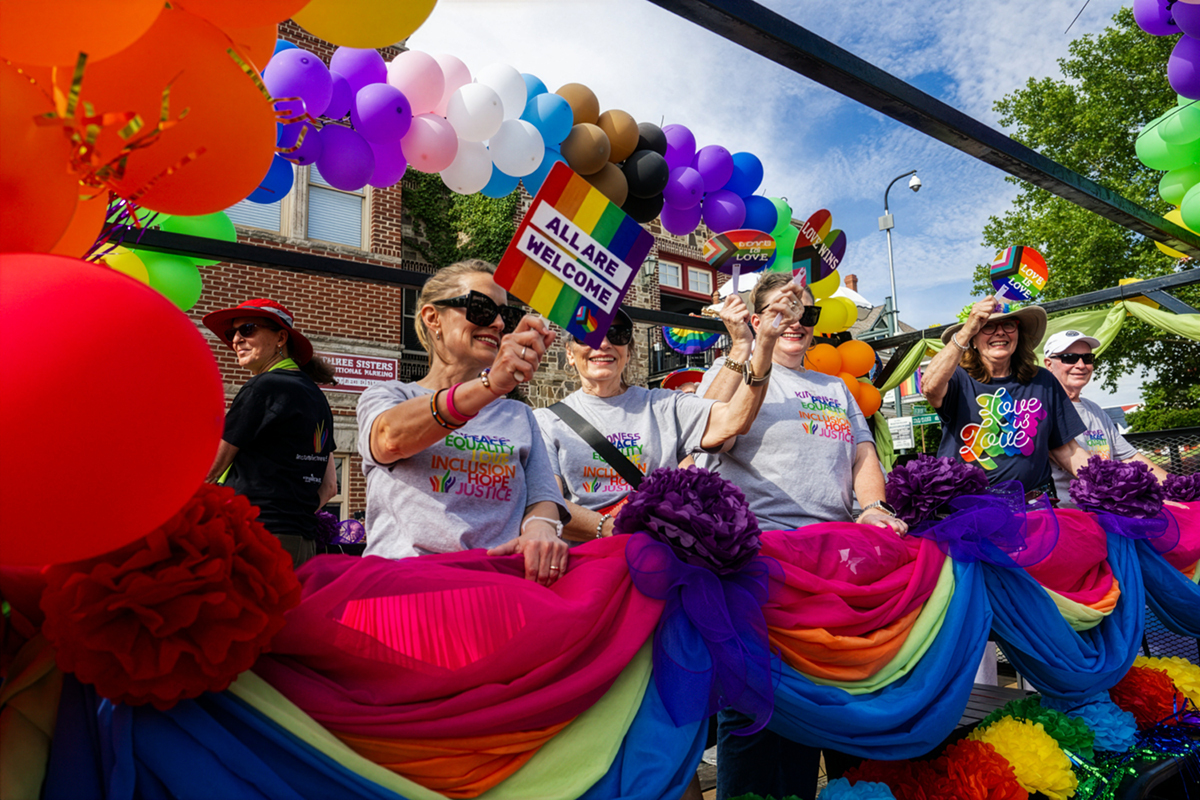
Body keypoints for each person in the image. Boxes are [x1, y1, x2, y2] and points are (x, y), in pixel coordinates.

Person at [695, 272, 905, 800]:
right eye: (782, 311)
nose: (796, 323)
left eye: (806, 314)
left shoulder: (834, 386)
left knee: (843, 699)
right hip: (761, 565)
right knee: (758, 710)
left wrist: (875, 507)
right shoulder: (738, 371)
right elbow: (705, 427)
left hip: (835, 566)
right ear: (759, 316)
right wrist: (748, 344)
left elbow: (862, 454)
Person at [356, 260, 569, 585]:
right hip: (404, 587)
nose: (498, 323)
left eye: (506, 315)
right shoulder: (390, 394)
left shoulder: (518, 415)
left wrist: (540, 530)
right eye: (482, 309)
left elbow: (543, 498)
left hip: (497, 587)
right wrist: (490, 386)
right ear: (432, 318)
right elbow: (391, 438)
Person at [535, 294, 803, 543]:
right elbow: (545, 500)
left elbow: (734, 420)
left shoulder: (664, 404)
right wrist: (614, 528)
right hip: (592, 562)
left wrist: (762, 346)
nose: (604, 343)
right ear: (570, 353)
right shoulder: (545, 422)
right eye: (588, 335)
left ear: (628, 351)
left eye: (617, 334)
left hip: (662, 555)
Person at [203, 299, 338, 568]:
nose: (237, 340)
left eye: (248, 329)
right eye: (233, 333)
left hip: (255, 535)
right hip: (302, 541)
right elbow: (330, 486)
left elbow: (210, 470)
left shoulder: (264, 387)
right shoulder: (316, 396)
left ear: (281, 338)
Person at [923, 298, 1091, 496]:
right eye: (987, 326)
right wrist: (967, 330)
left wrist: (1107, 484)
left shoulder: (1042, 380)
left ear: (1018, 335)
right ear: (973, 341)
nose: (1000, 332)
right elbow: (929, 387)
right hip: (970, 510)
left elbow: (1067, 450)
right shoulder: (957, 378)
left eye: (1008, 325)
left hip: (1035, 507)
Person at [1043, 329, 1168, 504]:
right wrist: (1144, 496)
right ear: (1049, 364)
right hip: (1070, 518)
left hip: (1109, 511)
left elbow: (1130, 458)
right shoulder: (1042, 408)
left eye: (1087, 358)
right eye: (1069, 358)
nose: (1080, 365)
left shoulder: (1095, 410)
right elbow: (1071, 457)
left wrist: (1175, 486)